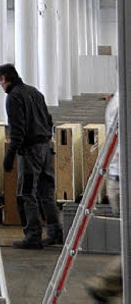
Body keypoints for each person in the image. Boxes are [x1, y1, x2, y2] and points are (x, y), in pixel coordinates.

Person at [0, 63, 63, 250]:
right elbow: (49, 120)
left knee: (26, 194)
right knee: (46, 193)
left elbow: (18, 130)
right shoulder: (35, 92)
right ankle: (55, 233)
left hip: (30, 152)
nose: (1, 87)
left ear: (4, 79)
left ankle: (32, 236)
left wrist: (10, 155)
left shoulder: (14, 97)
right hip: (46, 148)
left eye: (0, 83)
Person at [85, 90, 122, 302]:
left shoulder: (119, 98)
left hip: (117, 179)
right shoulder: (122, 101)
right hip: (123, 180)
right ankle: (104, 283)